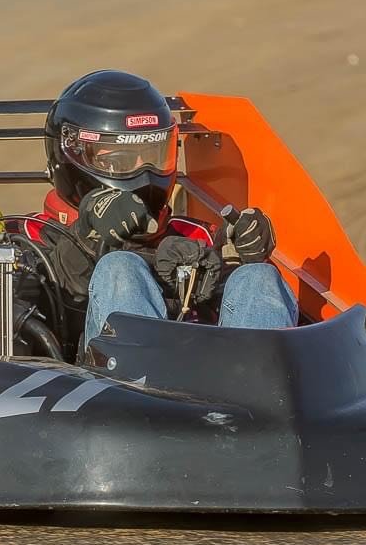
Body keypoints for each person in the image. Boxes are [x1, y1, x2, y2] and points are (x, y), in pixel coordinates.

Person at [37, 70, 299, 353]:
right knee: (121, 269)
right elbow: (49, 302)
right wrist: (88, 236)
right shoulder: (31, 235)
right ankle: (137, 389)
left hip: (222, 383)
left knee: (259, 277)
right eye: (120, 160)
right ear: (67, 158)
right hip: (100, 389)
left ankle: (266, 391)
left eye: (152, 156)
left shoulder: (195, 234)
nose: (143, 173)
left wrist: (232, 259)